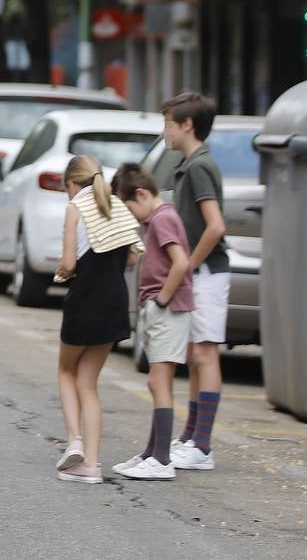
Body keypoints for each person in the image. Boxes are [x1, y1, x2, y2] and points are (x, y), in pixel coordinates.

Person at [52, 155, 142, 485]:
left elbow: (69, 263)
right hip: (115, 303)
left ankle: (74, 440)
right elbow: (132, 256)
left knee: (66, 371)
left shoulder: (76, 208)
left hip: (85, 300)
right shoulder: (118, 206)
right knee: (88, 383)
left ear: (72, 184)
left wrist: (62, 269)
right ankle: (91, 464)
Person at [111, 163, 195, 481]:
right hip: (162, 308)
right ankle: (152, 452)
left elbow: (180, 263)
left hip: (168, 309)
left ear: (142, 194)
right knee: (156, 381)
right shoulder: (158, 219)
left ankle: (161, 459)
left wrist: (161, 300)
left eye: (129, 206)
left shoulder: (163, 219)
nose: (131, 215)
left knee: (159, 381)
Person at [161, 91, 228, 472]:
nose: (165, 131)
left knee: (205, 354)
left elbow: (215, 225)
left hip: (207, 273)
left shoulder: (200, 166)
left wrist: (187, 265)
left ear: (188, 125)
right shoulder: (189, 164)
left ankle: (202, 444)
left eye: (169, 123)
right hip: (200, 273)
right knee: (194, 356)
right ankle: (190, 437)